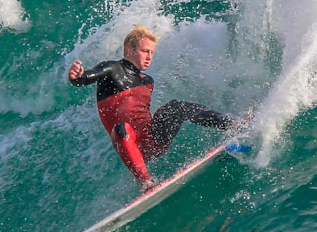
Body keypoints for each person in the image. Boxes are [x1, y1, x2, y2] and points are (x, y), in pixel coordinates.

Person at [68, 25, 250, 192]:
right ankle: (145, 182)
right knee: (122, 127)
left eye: (152, 53)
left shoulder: (147, 81)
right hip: (127, 142)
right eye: (145, 51)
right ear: (130, 50)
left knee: (176, 107)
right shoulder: (112, 69)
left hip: (153, 139)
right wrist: (78, 77)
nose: (149, 57)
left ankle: (232, 123)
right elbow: (87, 77)